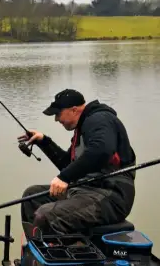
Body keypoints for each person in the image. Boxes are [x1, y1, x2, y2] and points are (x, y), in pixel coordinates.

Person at [17, 88, 136, 238]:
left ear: (74, 110)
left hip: (110, 197)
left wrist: (64, 177)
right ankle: (36, 251)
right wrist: (44, 141)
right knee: (32, 196)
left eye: (58, 113)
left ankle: (57, 256)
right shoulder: (83, 127)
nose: (56, 119)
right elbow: (69, 165)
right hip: (84, 191)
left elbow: (101, 151)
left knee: (46, 215)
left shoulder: (99, 120)